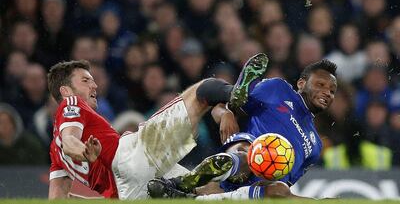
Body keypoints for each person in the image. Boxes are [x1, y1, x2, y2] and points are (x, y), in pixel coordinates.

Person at [47, 53, 269, 199]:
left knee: (205, 191)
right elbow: (70, 141)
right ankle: (234, 95)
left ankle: (246, 193)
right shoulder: (71, 103)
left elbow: (57, 198)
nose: (94, 84)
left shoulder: (54, 155)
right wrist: (85, 154)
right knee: (202, 91)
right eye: (85, 80)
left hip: (129, 195)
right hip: (128, 157)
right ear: (65, 91)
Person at [147, 59, 338, 200]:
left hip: (259, 187)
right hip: (247, 151)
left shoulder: (315, 146)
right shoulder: (278, 89)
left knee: (280, 191)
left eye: (332, 90)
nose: (327, 93)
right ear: (302, 83)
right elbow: (220, 107)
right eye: (320, 85)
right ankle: (183, 182)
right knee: (249, 153)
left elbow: (284, 187)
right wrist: (227, 114)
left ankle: (187, 194)